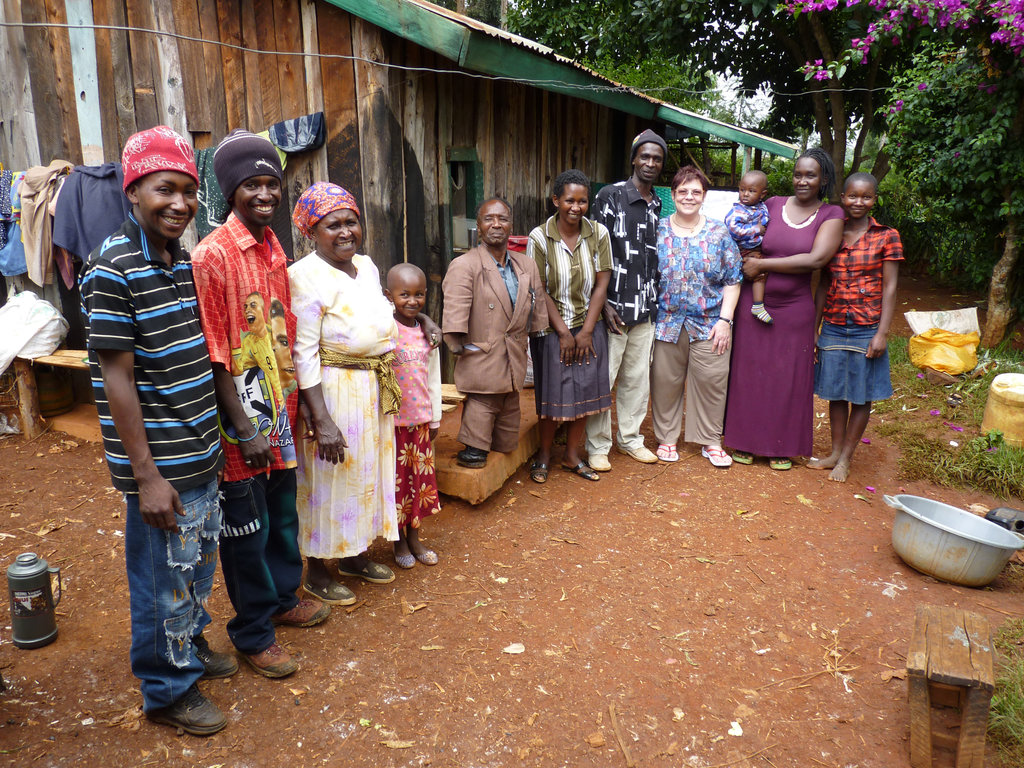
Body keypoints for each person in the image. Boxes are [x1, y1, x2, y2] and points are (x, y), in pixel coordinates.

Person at [80, 126, 231, 735]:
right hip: (161, 465)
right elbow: (116, 379)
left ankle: (188, 649)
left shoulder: (180, 261)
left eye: (189, 192)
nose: (180, 203)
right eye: (165, 189)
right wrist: (145, 478)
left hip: (200, 450)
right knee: (160, 580)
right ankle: (168, 690)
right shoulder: (112, 268)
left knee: (194, 565)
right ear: (134, 189)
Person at [191, 129, 329, 681]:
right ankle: (252, 631)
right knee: (245, 528)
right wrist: (244, 428)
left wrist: (291, 413)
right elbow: (216, 354)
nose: (265, 193)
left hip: (279, 408)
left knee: (281, 514)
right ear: (231, 191)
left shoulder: (274, 250)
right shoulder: (213, 255)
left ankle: (282, 598)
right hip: (240, 422)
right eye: (252, 184)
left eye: (272, 183)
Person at [289, 182, 439, 600]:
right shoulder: (304, 277)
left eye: (351, 222)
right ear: (312, 232)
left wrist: (422, 319)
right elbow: (303, 353)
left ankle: (354, 555)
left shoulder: (368, 267)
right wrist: (321, 418)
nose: (345, 232)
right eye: (332, 225)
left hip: (374, 389)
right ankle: (318, 570)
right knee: (326, 477)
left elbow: (389, 311)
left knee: (366, 474)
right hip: (333, 392)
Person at [723, 148, 845, 469]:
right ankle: (744, 441)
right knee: (749, 375)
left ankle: (781, 445)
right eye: (798, 174)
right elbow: (745, 234)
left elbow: (817, 259)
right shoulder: (773, 204)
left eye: (810, 175)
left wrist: (762, 265)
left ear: (823, 180)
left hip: (794, 309)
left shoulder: (831, 215)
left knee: (786, 378)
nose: (802, 181)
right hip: (754, 303)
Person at [808, 172, 902, 482]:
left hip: (867, 325)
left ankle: (846, 459)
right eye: (852, 196)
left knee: (861, 395)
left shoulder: (887, 236)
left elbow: (889, 287)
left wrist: (882, 332)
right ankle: (834, 453)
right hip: (834, 323)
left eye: (865, 197)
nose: (858, 202)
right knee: (835, 392)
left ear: (874, 199)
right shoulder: (832, 233)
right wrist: (815, 327)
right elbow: (823, 283)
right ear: (843, 197)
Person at [442, 198, 547, 469]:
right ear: (478, 227)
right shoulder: (465, 265)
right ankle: (474, 447)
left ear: (511, 225)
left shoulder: (526, 265)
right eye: (489, 219)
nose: (496, 224)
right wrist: (460, 347)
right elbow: (454, 313)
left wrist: (537, 335)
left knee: (507, 436)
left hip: (514, 357)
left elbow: (538, 307)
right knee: (482, 403)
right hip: (482, 357)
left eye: (502, 218)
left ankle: (494, 444)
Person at [650, 166, 742, 468]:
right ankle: (667, 438)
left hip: (710, 323)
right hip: (666, 322)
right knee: (665, 382)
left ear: (704, 196)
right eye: (683, 191)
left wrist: (725, 321)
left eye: (696, 192)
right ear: (673, 195)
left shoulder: (718, 233)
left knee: (712, 381)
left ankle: (710, 441)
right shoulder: (658, 230)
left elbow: (733, 279)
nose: (689, 196)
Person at [585, 129, 666, 470]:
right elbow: (592, 252)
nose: (650, 163)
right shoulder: (610, 197)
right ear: (634, 158)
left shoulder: (657, 203)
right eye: (644, 156)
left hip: (645, 308)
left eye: (657, 158)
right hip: (613, 307)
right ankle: (597, 446)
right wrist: (602, 304)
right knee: (604, 377)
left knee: (636, 379)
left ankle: (631, 439)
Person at [527, 169, 613, 483]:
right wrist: (563, 332)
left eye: (582, 201)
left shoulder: (599, 234)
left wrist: (587, 330)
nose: (575, 207)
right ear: (555, 201)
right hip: (552, 329)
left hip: (589, 325)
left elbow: (601, 285)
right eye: (569, 200)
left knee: (587, 392)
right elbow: (539, 288)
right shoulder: (539, 237)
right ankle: (544, 455)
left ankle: (572, 455)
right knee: (553, 395)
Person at [386, 263, 443, 567]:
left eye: (419, 295)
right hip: (393, 424)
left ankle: (415, 538)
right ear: (389, 295)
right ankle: (397, 541)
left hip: (420, 422)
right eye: (403, 294)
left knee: (418, 482)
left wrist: (434, 418)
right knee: (397, 483)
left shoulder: (427, 334)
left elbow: (433, 377)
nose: (412, 301)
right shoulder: (384, 329)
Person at [725, 170, 772, 324]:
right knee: (737, 278)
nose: (745, 194)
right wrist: (756, 230)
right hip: (739, 249)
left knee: (761, 273)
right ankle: (729, 311)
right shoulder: (738, 210)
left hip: (755, 248)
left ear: (762, 194)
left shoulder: (762, 207)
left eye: (751, 191)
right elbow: (733, 230)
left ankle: (758, 305)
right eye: (742, 189)